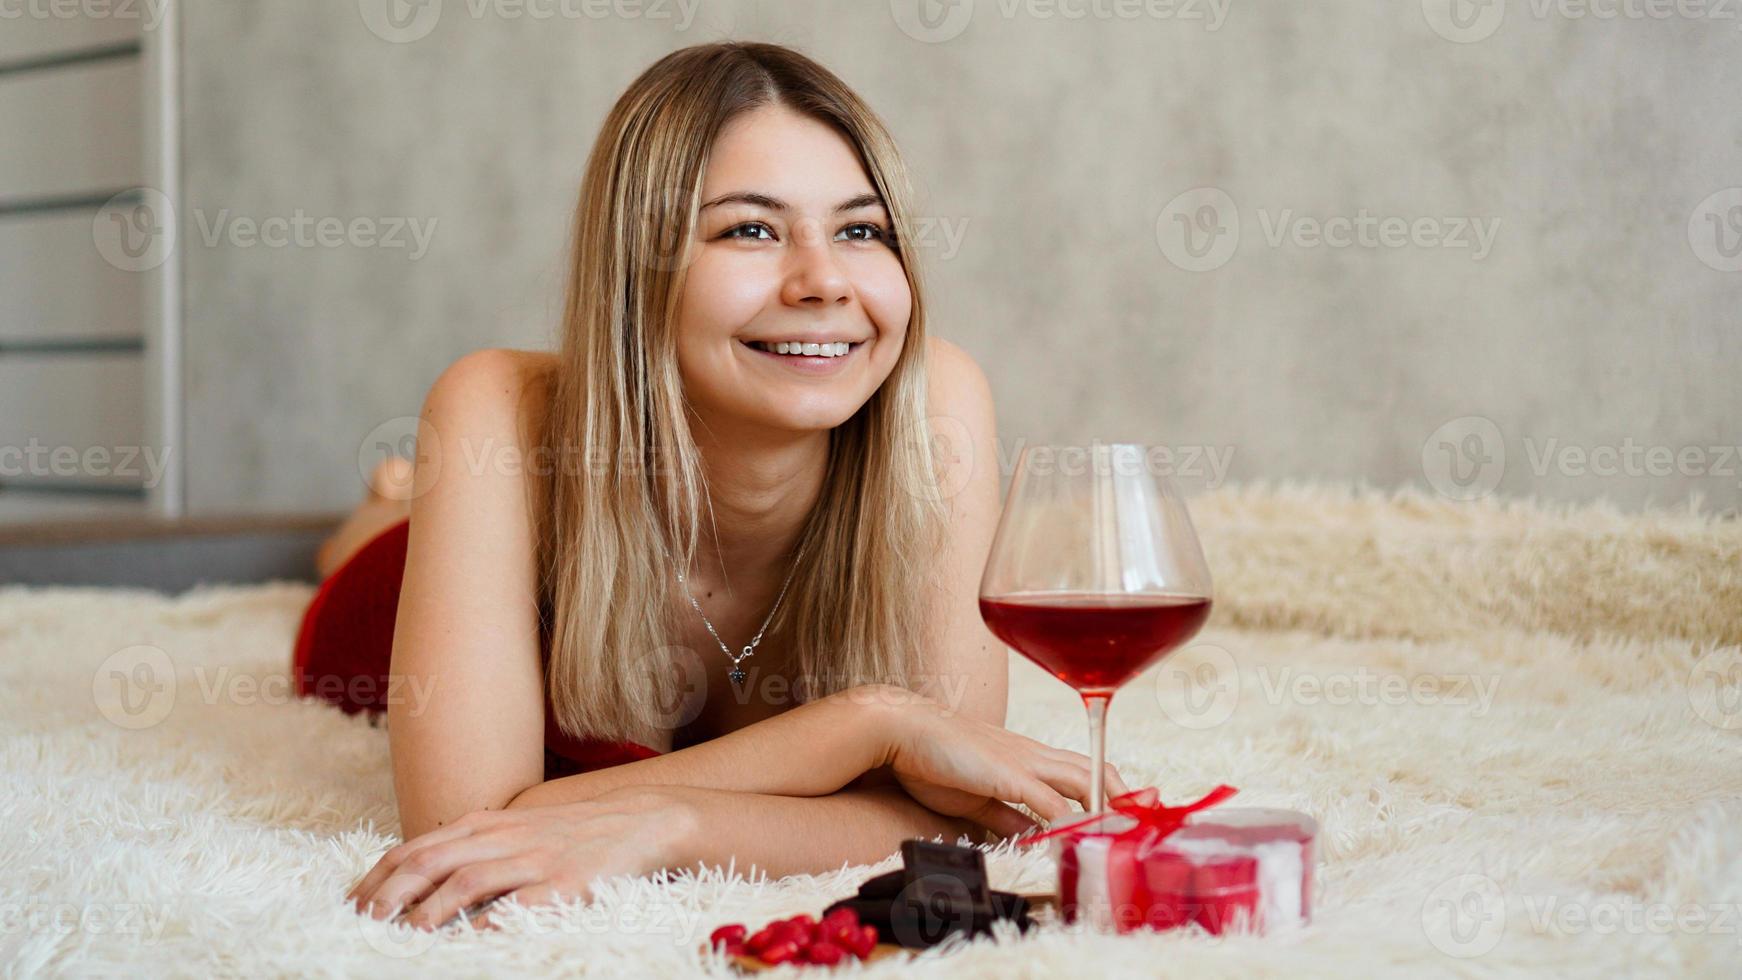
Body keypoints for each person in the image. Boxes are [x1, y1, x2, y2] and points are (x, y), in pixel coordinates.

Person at [296, 41, 1124, 930]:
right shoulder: (494, 407)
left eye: (860, 229)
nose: (825, 282)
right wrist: (866, 725)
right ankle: (393, 504)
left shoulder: (938, 405)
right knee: (366, 542)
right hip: (386, 592)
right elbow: (467, 832)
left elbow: (957, 816)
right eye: (751, 230)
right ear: (639, 270)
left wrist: (673, 822)